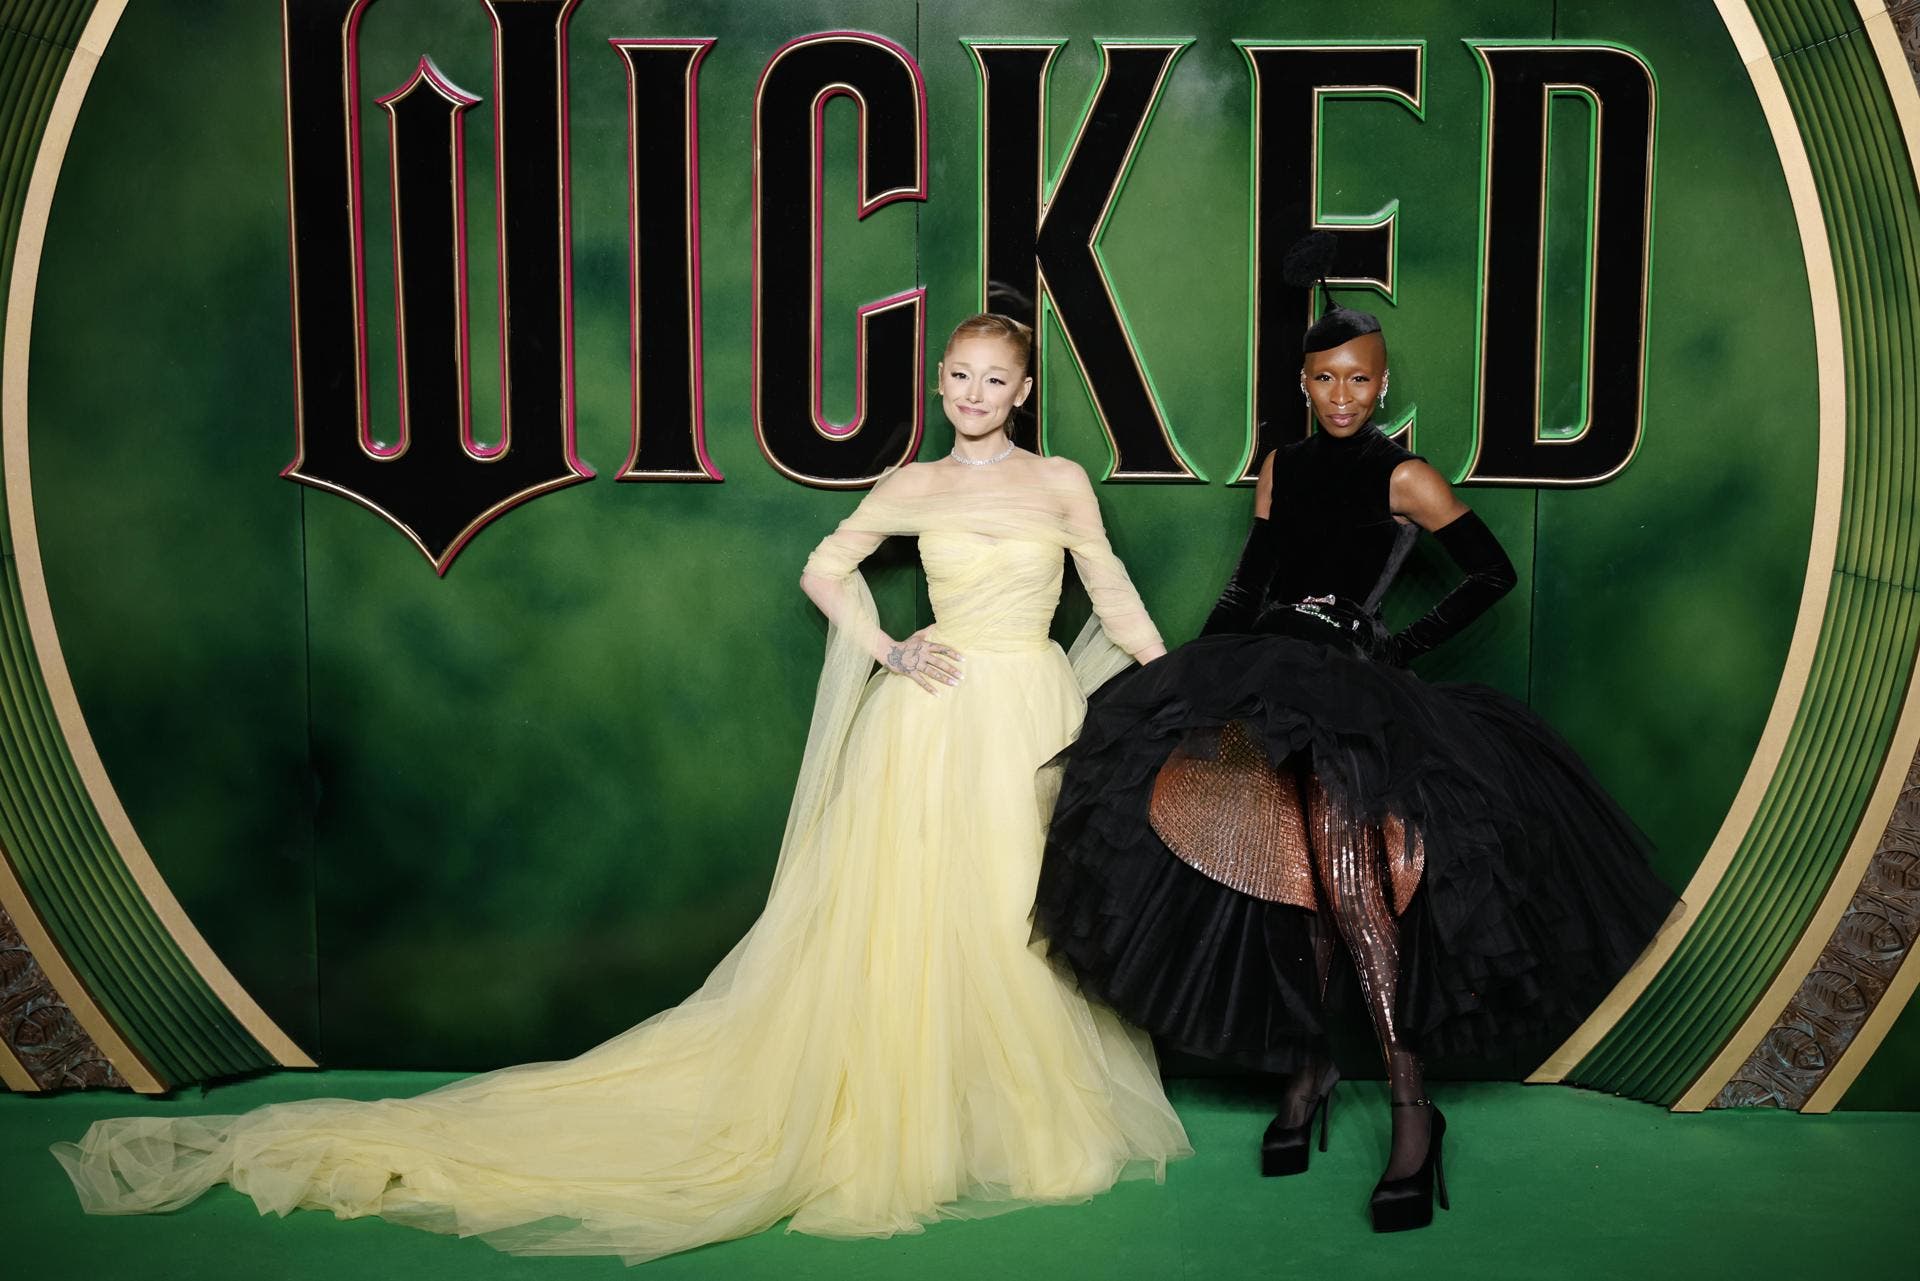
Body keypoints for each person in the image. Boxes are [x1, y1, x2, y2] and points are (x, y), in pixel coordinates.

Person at [52, 314, 1189, 1263]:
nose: (974, 394)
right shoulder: (912, 483)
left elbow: (1113, 590)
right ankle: (913, 1116)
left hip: (1032, 710)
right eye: (959, 376)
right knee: (914, 919)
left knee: (1017, 909)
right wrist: (889, 647)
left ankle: (1004, 1110)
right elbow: (824, 567)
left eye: (994, 380)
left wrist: (1173, 685)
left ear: (1024, 390)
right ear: (940, 383)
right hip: (934, 723)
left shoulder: (1059, 483)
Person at [1032, 254, 1678, 1233]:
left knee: (1350, 882)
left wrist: (1397, 645)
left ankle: (1412, 1109)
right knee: (1287, 876)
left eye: (1361, 379)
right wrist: (1197, 683)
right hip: (1265, 679)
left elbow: (1491, 573)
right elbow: (1248, 584)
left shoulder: (1404, 474)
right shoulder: (1282, 467)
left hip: (1353, 694)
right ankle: (1309, 1069)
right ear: (1304, 383)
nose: (1343, 395)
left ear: (1383, 386)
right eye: (1326, 378)